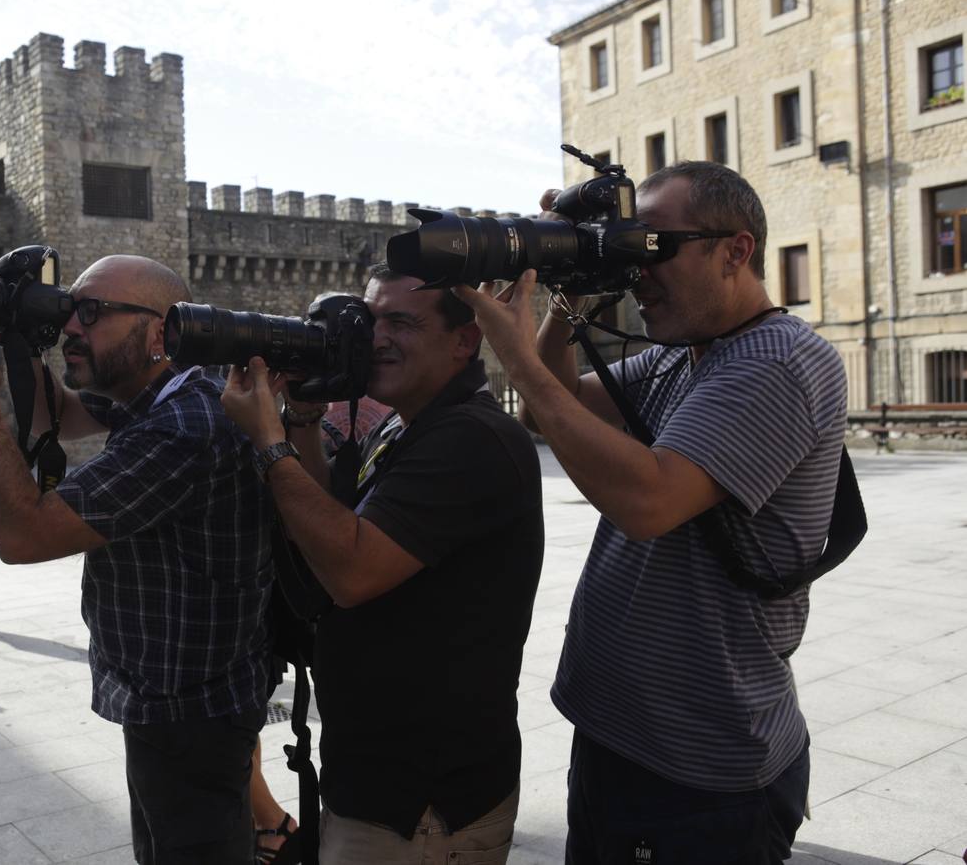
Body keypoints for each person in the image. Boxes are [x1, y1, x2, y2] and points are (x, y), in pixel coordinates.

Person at [455, 161, 847, 863]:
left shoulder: (780, 360)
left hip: (700, 767)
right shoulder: (684, 356)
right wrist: (571, 292)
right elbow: (564, 405)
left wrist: (513, 358)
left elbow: (649, 501)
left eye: (656, 248)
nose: (641, 270)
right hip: (622, 737)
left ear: (735, 251)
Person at [0, 255, 274, 865]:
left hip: (190, 713)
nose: (73, 326)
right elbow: (57, 413)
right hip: (176, 702)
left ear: (159, 331)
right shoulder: (162, 394)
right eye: (71, 310)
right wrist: (17, 333)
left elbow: (21, 537)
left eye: (92, 313)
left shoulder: (182, 427)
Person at [221, 263, 545, 865]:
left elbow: (351, 570)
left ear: (464, 340)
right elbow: (332, 520)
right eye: (370, 320)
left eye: (402, 321)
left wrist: (269, 445)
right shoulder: (403, 424)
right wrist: (302, 416)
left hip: (423, 802)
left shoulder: (473, 437)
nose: (376, 338)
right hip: (376, 781)